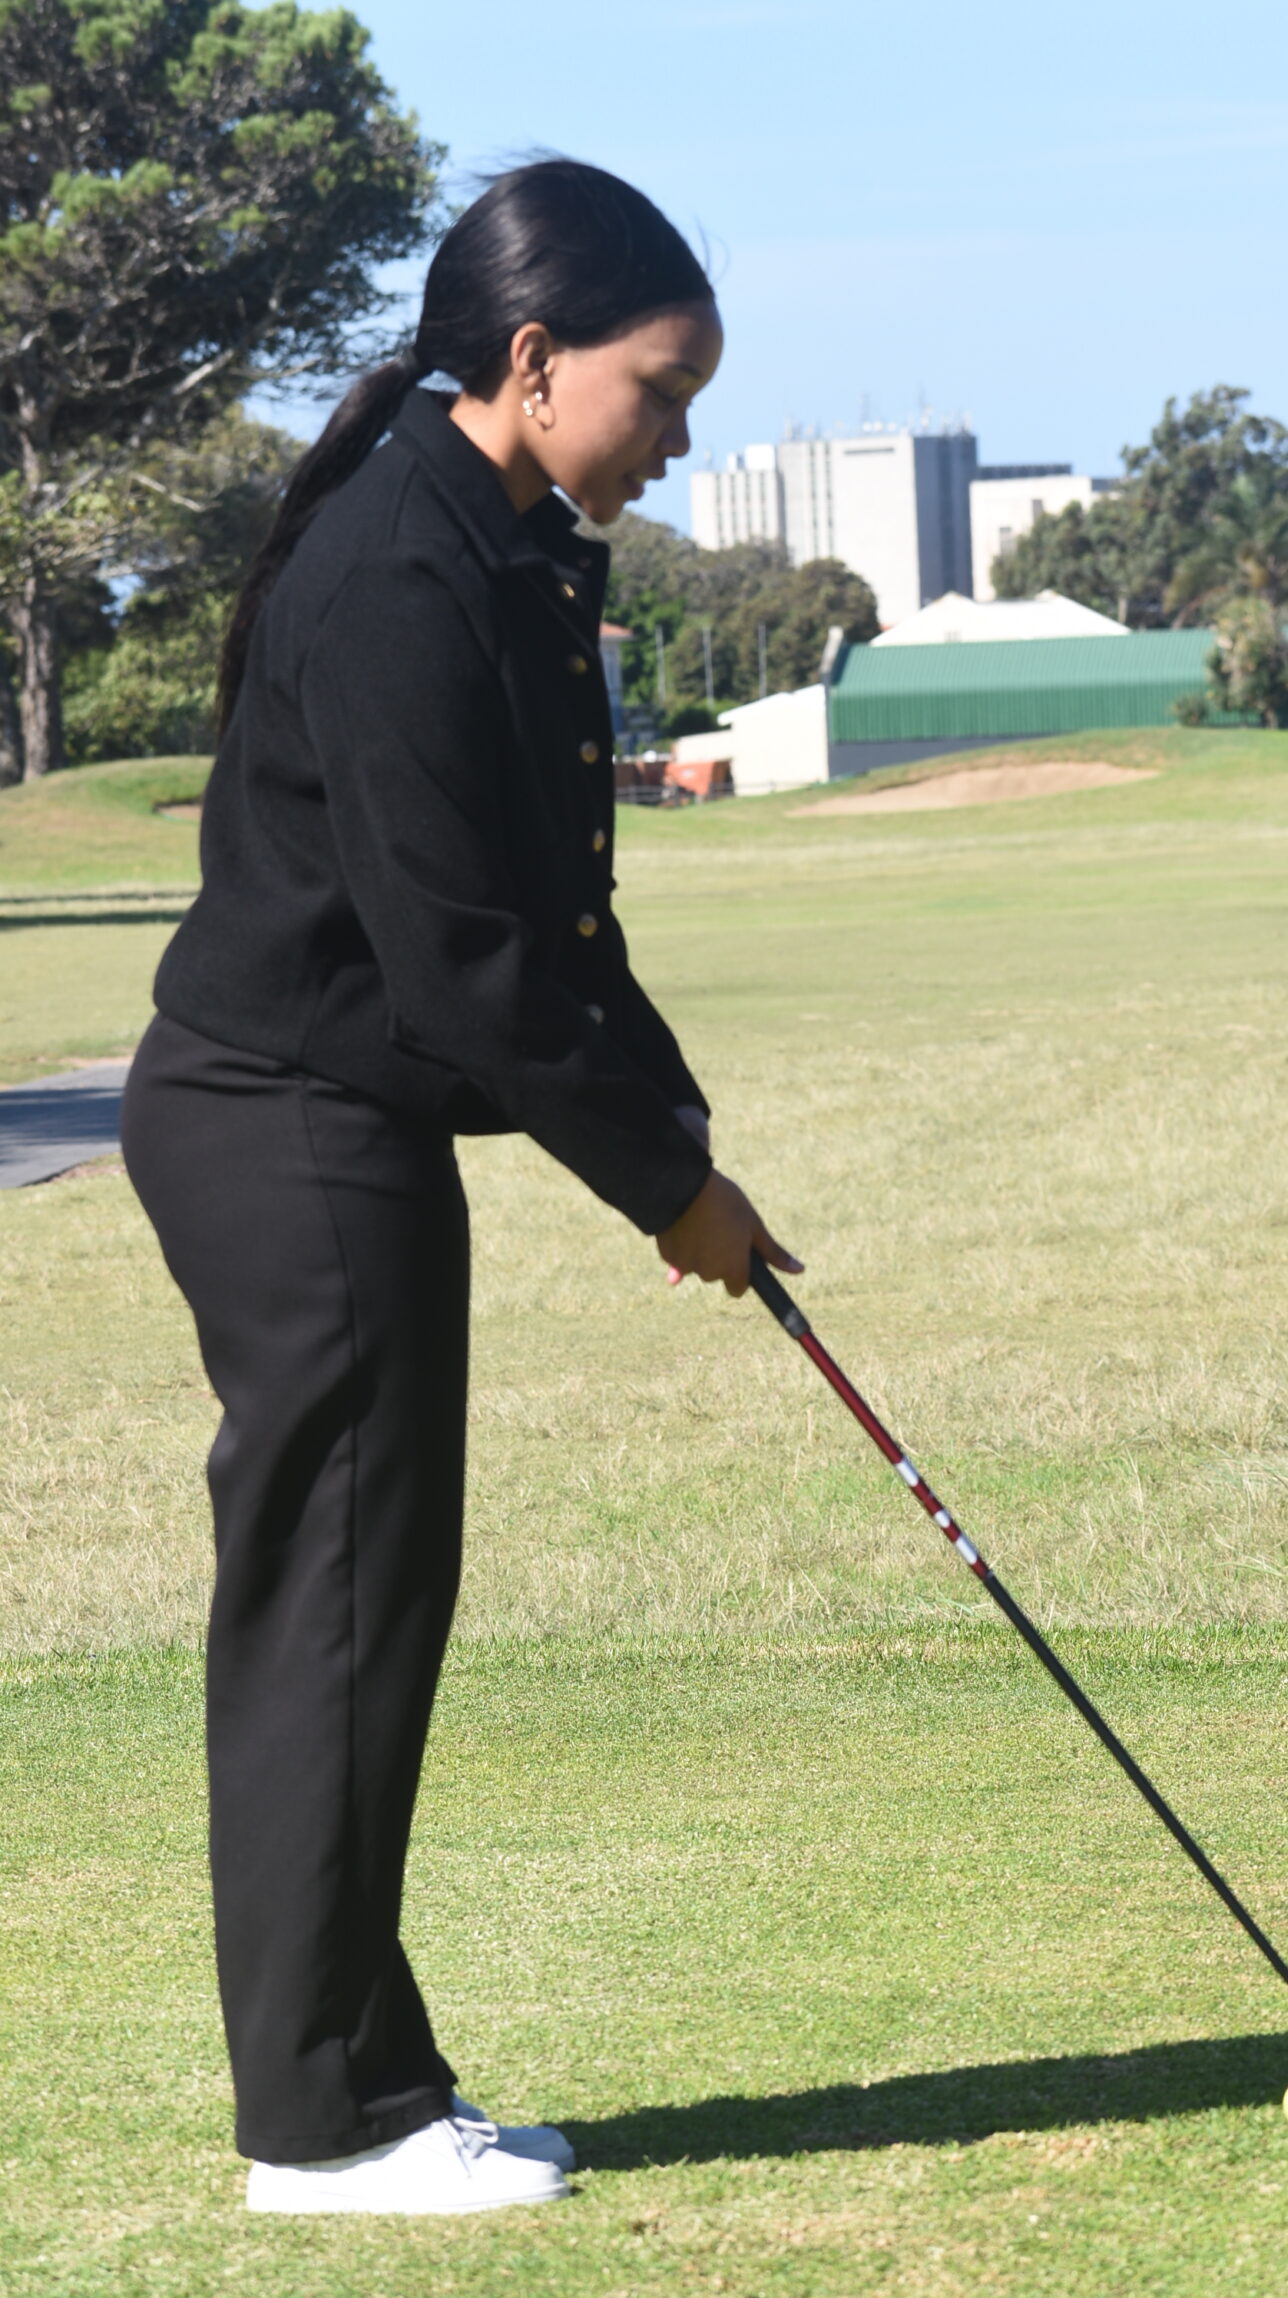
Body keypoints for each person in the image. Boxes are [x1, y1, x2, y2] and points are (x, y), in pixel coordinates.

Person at [121, 158, 800, 2218]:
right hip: (292, 1133)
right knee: (333, 1613)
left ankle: (373, 2080)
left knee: (363, 1612)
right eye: (662, 390)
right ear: (532, 357)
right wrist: (663, 1187)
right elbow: (469, 965)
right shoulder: (402, 571)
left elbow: (555, 924)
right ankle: (318, 2136)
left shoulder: (501, 538)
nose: (678, 439)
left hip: (339, 1126)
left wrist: (688, 1148)